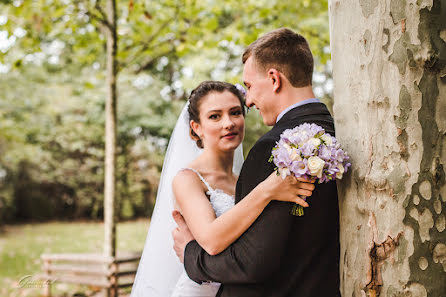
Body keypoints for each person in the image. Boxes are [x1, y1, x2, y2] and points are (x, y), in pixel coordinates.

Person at [172, 28, 341, 297]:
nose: (249, 100)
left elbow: (252, 261)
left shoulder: (274, 149)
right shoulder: (337, 134)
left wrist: (191, 254)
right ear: (196, 127)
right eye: (215, 116)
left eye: (248, 87)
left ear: (274, 79)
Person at [130, 81, 315, 297]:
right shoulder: (188, 179)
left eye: (235, 113)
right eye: (215, 116)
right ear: (196, 128)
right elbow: (212, 240)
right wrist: (267, 191)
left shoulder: (245, 179)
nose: (229, 123)